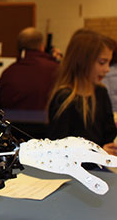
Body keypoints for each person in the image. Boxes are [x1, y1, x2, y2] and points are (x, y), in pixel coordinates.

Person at [48, 29, 117, 159]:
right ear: (83, 61)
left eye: (109, 63)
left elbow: (109, 133)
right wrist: (98, 154)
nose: (107, 69)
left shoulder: (100, 92)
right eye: (102, 63)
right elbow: (60, 152)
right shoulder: (64, 99)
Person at [0, 27, 59, 110]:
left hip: (13, 122)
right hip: (47, 122)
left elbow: (1, 103)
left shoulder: (8, 73)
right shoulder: (55, 69)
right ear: (41, 46)